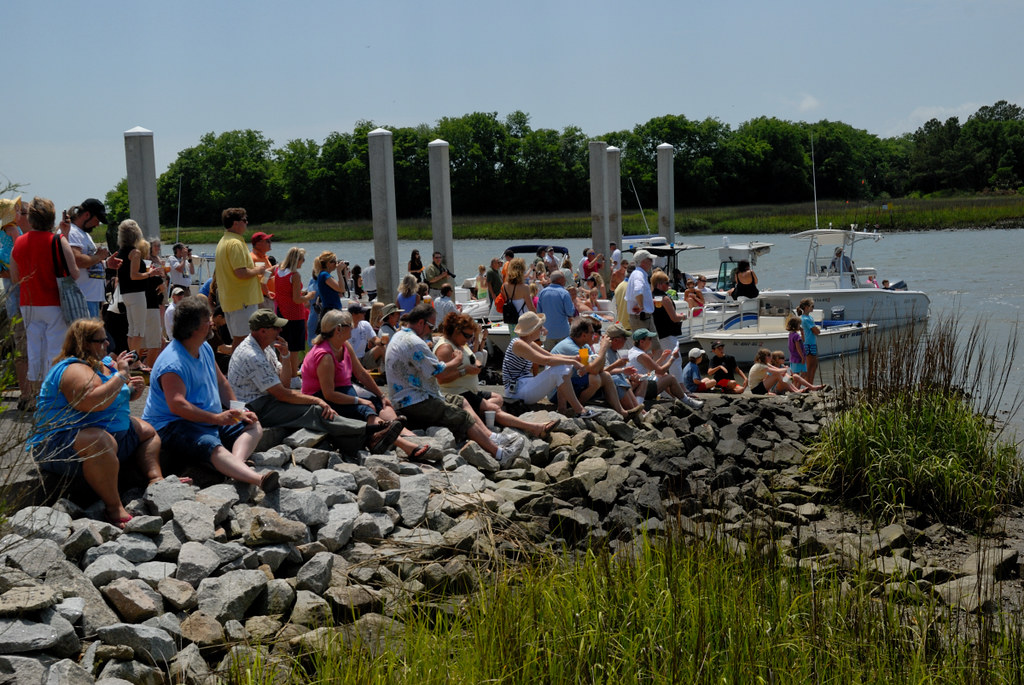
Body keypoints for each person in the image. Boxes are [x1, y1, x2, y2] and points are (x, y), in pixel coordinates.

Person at [28, 319, 163, 527]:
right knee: (99, 441)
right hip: (60, 446)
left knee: (147, 431)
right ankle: (113, 507)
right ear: (85, 344)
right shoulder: (73, 369)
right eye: (101, 341)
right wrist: (122, 375)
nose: (107, 344)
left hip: (110, 440)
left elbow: (111, 399)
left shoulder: (104, 365)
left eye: (106, 339)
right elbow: (93, 401)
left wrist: (131, 393)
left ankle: (156, 480)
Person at [142, 296, 275, 490]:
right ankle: (258, 480)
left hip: (207, 418)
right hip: (173, 424)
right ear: (195, 328)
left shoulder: (203, 347)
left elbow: (221, 382)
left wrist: (239, 411)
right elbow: (177, 405)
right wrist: (217, 418)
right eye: (207, 320)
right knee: (212, 446)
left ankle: (235, 466)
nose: (212, 323)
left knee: (253, 425)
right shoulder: (172, 363)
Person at [227, 309, 401, 455]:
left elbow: (285, 384)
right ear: (263, 331)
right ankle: (370, 432)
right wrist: (317, 400)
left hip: (266, 400)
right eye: (276, 328)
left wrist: (286, 356)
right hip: (254, 406)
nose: (280, 331)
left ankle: (370, 437)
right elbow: (282, 393)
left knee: (321, 411)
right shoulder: (253, 355)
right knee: (316, 411)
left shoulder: (265, 348)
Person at [385, 304, 526, 465]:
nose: (431, 330)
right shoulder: (415, 342)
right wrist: (457, 362)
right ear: (421, 323)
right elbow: (439, 372)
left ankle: (492, 437)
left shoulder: (400, 335)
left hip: (416, 396)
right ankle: (499, 454)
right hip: (414, 401)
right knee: (462, 416)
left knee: (461, 401)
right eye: (430, 326)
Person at [301, 309, 428, 459]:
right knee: (362, 408)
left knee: (376, 400)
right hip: (322, 397)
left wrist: (381, 395)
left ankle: (397, 430)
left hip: (343, 389)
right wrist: (359, 400)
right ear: (339, 329)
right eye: (350, 325)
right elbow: (328, 393)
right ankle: (404, 443)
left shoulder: (344, 345)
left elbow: (361, 373)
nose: (354, 327)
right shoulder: (325, 356)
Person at [435, 312, 557, 438]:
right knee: (493, 408)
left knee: (498, 399)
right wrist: (465, 371)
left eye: (470, 336)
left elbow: (473, 357)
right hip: (457, 392)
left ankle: (477, 416)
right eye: (467, 335)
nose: (468, 339)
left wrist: (476, 364)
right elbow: (441, 379)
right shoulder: (446, 348)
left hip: (470, 390)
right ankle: (534, 428)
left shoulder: (460, 344)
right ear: (455, 331)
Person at [10, 197, 80, 394]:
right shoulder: (58, 241)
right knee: (55, 350)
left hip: (28, 303)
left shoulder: (19, 242)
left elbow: (15, 277)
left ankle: (38, 397)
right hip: (54, 302)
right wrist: (63, 236)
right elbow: (74, 273)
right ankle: (55, 396)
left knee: (35, 351)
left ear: (31, 219)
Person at [551, 318, 645, 420]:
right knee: (596, 379)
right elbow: (594, 370)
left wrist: (602, 352)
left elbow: (599, 369)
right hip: (557, 391)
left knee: (605, 376)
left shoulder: (584, 346)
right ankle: (576, 408)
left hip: (572, 382)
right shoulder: (571, 347)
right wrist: (603, 349)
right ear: (583, 335)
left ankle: (622, 412)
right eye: (592, 332)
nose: (595, 335)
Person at [500, 312, 590, 417]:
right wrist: (573, 361)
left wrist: (574, 358)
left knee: (564, 367)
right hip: (516, 392)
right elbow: (546, 361)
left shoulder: (527, 342)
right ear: (532, 331)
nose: (542, 329)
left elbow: (550, 355)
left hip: (525, 385)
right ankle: (579, 410)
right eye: (540, 327)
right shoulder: (518, 344)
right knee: (560, 368)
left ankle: (562, 408)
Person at [214, 208, 265, 349]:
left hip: (232, 300)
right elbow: (241, 272)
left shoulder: (223, 241)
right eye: (244, 220)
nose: (247, 223)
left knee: (240, 339)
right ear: (236, 223)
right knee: (243, 340)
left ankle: (237, 370)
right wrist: (258, 270)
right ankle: (237, 370)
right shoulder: (235, 244)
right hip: (242, 300)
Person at [115, 220, 161, 370]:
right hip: (136, 294)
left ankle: (133, 360)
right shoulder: (135, 252)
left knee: (132, 330)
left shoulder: (120, 252)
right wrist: (150, 273)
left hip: (125, 294)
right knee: (139, 330)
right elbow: (134, 275)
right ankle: (135, 362)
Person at [0, 197, 30, 404]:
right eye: (19, 210)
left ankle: (29, 393)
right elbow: (13, 267)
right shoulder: (10, 234)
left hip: (24, 301)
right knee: (23, 349)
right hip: (19, 302)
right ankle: (27, 395)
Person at [66, 198, 118, 319]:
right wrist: (99, 256)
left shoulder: (85, 235)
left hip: (92, 297)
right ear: (87, 215)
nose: (97, 224)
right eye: (96, 220)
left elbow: (91, 261)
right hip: (82, 297)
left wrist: (105, 264)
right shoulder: (72, 232)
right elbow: (77, 260)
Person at [626, 329, 703, 408]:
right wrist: (673, 358)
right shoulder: (641, 355)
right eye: (649, 339)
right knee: (671, 378)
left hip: (639, 383)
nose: (651, 341)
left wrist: (662, 359)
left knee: (664, 375)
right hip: (643, 388)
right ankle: (687, 401)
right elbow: (660, 371)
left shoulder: (633, 351)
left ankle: (676, 398)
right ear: (641, 342)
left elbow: (652, 368)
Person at [274, 247, 315, 380]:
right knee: (294, 348)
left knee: (283, 345)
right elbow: (297, 299)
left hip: (281, 312)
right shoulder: (294, 275)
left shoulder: (278, 270)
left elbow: (265, 274)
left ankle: (282, 374)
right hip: (295, 314)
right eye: (302, 260)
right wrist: (309, 296)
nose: (303, 263)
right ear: (297, 260)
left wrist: (264, 289)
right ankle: (292, 376)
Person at [137, 239, 166, 367]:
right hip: (151, 307)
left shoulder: (133, 267)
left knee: (139, 342)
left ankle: (137, 366)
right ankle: (149, 369)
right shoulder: (150, 268)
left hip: (137, 306)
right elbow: (162, 287)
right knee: (154, 343)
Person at [626, 250, 660, 353]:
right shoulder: (639, 275)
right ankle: (650, 368)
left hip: (643, 318)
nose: (652, 262)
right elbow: (638, 290)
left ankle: (652, 368)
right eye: (650, 260)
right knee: (650, 349)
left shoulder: (638, 274)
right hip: (642, 318)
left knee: (654, 348)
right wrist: (641, 306)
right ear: (643, 262)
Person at [536, 270, 576, 349]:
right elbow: (570, 312)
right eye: (564, 278)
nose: (565, 280)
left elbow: (539, 313)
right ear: (560, 280)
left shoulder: (542, 293)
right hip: (562, 332)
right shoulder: (564, 293)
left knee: (549, 357)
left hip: (547, 332)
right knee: (563, 357)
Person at [499, 257, 534, 327]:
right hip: (523, 321)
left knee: (514, 338)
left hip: (511, 321)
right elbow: (531, 308)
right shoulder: (525, 287)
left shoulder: (505, 286)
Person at [314, 251, 345, 323]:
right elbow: (341, 289)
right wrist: (339, 272)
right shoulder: (324, 275)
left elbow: (342, 290)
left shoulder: (325, 275)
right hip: (330, 311)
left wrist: (344, 273)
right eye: (334, 261)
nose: (336, 263)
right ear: (328, 264)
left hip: (332, 310)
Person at [249, 231, 276, 310]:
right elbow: (261, 279)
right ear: (258, 244)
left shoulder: (265, 257)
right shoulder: (253, 258)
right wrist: (273, 269)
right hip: (262, 299)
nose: (270, 242)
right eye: (267, 241)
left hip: (269, 298)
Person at [799, 298, 821, 384]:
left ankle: (810, 384)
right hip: (808, 344)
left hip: (811, 343)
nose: (813, 308)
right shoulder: (805, 319)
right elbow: (816, 331)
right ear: (806, 307)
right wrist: (817, 329)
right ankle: (807, 385)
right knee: (809, 366)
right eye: (812, 306)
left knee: (814, 365)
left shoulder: (809, 317)